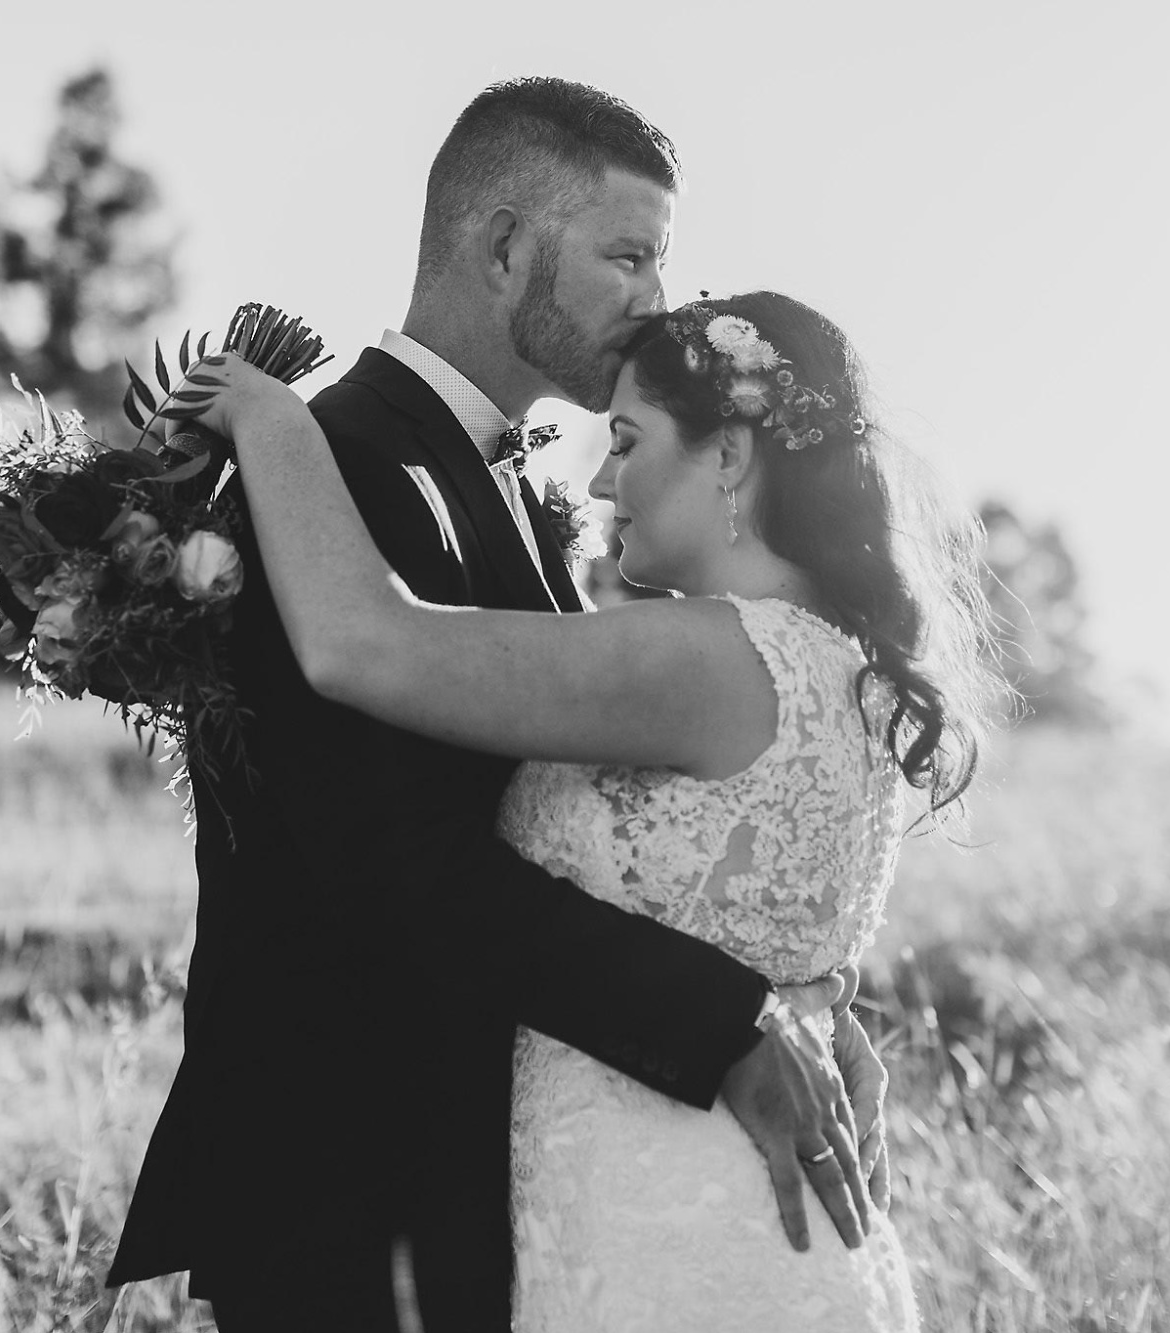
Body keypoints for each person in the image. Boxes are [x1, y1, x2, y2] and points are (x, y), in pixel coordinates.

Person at [104, 78, 896, 1331]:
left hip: (511, 1188)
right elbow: (389, 863)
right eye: (625, 254)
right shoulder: (331, 464)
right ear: (504, 246)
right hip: (355, 1181)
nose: (653, 297)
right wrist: (729, 1026)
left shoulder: (525, 501)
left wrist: (797, 997)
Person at [176, 287, 997, 1328]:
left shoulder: (709, 652)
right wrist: (809, 1007)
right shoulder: (841, 669)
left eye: (626, 440)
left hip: (647, 1217)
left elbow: (360, 644)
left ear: (732, 457)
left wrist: (267, 420)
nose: (604, 480)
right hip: (757, 1213)